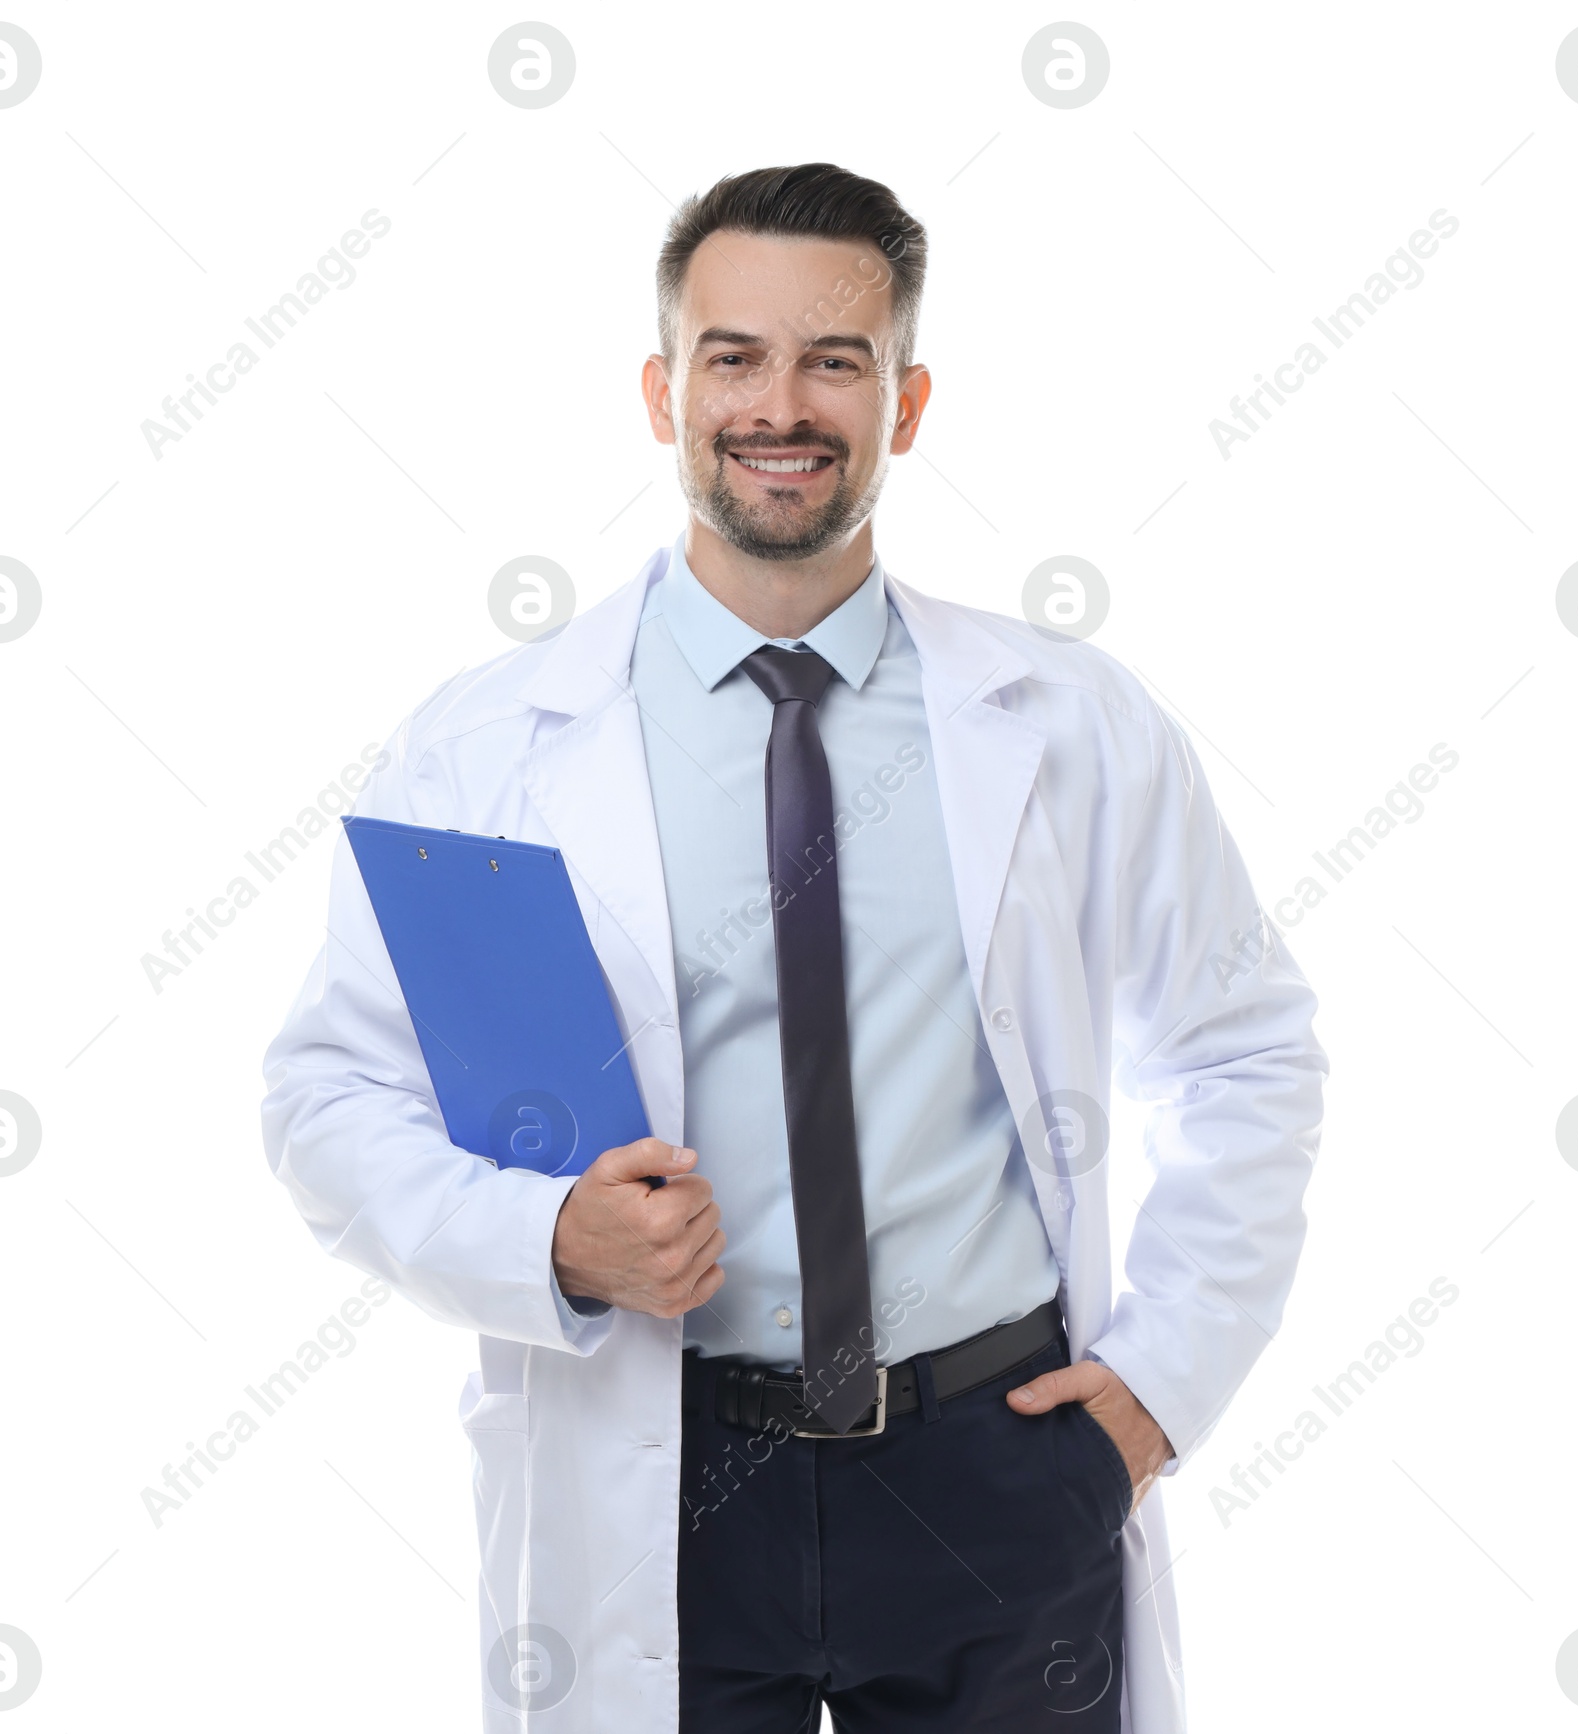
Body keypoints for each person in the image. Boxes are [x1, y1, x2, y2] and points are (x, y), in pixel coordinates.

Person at [261, 162, 1327, 1734]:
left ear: (905, 404)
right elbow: (327, 1097)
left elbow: (1246, 1051)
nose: (783, 404)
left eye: (837, 359)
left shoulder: (1070, 723)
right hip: (660, 1481)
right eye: (734, 356)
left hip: (1001, 1466)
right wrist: (548, 1236)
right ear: (661, 390)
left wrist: (1154, 1395)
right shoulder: (489, 748)